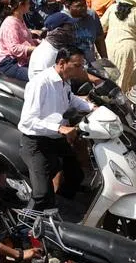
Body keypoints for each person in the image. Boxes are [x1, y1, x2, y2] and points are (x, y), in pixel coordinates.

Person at [17, 46, 92, 211]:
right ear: (62, 63)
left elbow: (70, 99)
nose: (80, 70)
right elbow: (28, 120)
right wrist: (59, 128)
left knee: (76, 175)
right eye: (77, 65)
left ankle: (63, 206)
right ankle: (30, 225)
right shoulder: (41, 83)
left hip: (55, 139)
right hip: (36, 142)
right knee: (42, 194)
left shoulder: (64, 81)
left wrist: (91, 108)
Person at [101, 0, 136, 92]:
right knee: (126, 80)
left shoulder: (112, 8)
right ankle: (122, 104)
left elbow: (101, 27)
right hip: (129, 49)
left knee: (108, 78)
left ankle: (107, 102)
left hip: (109, 47)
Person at [0, 0, 37, 81]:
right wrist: (36, 49)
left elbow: (25, 40)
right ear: (21, 5)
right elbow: (14, 48)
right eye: (28, 3)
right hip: (8, 62)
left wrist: (41, 42)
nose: (30, 5)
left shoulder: (20, 19)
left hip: (20, 59)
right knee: (36, 79)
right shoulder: (11, 23)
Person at [26, 13, 76, 80]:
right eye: (69, 28)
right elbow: (42, 84)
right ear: (58, 30)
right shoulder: (46, 54)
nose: (72, 31)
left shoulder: (57, 48)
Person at [66, 0, 105, 65]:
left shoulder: (92, 15)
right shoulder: (63, 20)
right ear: (68, 6)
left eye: (84, 4)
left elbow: (99, 40)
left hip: (90, 65)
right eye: (79, 6)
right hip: (73, 67)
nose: (83, 8)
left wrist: (105, 60)